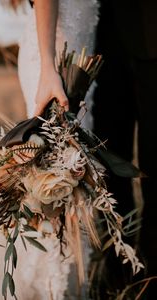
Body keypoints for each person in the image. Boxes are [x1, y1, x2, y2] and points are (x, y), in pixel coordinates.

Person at [0, 1, 99, 299]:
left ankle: (56, 282)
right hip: (55, 62)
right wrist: (48, 69)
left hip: (71, 56)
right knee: (52, 178)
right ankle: (48, 286)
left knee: (59, 178)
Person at [91, 0, 157, 298]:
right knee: (106, 161)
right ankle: (117, 269)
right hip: (98, 36)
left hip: (150, 31)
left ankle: (152, 272)